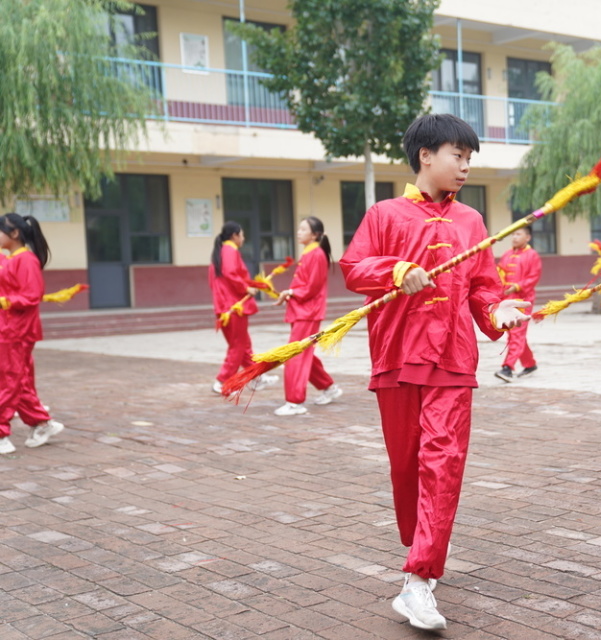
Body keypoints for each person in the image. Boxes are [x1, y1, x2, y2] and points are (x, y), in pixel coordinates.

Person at [340, 113, 529, 631]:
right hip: (397, 357)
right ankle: (420, 543)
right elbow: (354, 268)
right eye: (457, 156)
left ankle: (419, 576)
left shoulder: (471, 221)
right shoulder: (384, 214)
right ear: (425, 155)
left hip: (452, 359)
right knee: (407, 467)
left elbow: (483, 286)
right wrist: (396, 270)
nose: (465, 167)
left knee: (442, 463)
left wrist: (497, 310)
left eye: (469, 159)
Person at [0, 213, 65, 453]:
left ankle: (1, 434)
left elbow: (31, 296)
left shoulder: (26, 260)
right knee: (20, 380)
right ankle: (41, 423)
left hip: (17, 330)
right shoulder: (8, 259)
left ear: (14, 233)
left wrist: (5, 301)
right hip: (7, 328)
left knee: (8, 380)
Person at [273, 217, 342, 416]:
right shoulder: (309, 252)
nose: (298, 232)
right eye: (299, 228)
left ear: (315, 235)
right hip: (301, 310)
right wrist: (290, 293)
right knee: (304, 353)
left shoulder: (317, 254)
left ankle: (295, 402)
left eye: (303, 229)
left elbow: (312, 287)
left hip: (308, 311)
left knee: (295, 354)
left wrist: (291, 292)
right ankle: (329, 387)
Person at [209, 222, 276, 394]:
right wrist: (246, 288)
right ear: (235, 235)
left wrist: (256, 285)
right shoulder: (229, 251)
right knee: (238, 346)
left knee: (244, 345)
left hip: (226, 305)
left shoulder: (222, 252)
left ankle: (256, 377)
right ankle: (222, 381)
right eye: (242, 235)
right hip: (233, 306)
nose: (243, 238)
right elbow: (231, 274)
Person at [494, 226, 542, 382]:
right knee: (514, 333)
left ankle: (507, 368)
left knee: (516, 333)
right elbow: (499, 273)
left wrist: (517, 286)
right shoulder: (507, 254)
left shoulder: (532, 255)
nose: (514, 237)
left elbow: (533, 277)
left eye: (518, 234)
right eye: (513, 234)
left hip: (523, 300)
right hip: (507, 299)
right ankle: (530, 364)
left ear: (527, 237)